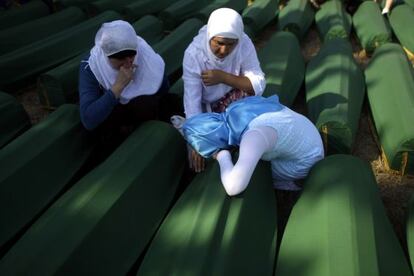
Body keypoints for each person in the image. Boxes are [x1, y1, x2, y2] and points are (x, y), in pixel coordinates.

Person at [182, 95, 324, 195]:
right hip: (308, 136)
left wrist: (221, 156)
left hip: (307, 161)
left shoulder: (253, 137)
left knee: (252, 168)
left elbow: (233, 187)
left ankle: (291, 184)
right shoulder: (235, 109)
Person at [182, 8, 266, 172]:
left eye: (230, 44)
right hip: (208, 108)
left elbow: (258, 83)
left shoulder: (243, 43)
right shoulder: (194, 54)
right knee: (201, 152)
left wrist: (223, 77)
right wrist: (195, 139)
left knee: (254, 135)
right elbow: (192, 103)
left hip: (237, 99)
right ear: (209, 36)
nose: (224, 50)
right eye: (219, 43)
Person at [78, 20, 169, 148]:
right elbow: (89, 120)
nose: (128, 62)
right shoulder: (92, 66)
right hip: (113, 127)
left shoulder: (142, 52)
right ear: (107, 56)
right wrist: (117, 87)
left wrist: (148, 73)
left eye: (131, 55)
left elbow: (164, 89)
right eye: (120, 58)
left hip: (145, 122)